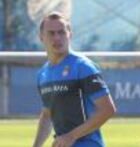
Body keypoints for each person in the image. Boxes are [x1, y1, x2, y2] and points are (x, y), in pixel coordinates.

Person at [33, 12, 116, 147]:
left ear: (69, 35)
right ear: (41, 37)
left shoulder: (83, 66)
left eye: (61, 32)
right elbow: (47, 115)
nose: (57, 37)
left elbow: (107, 109)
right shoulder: (42, 74)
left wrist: (71, 136)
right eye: (51, 33)